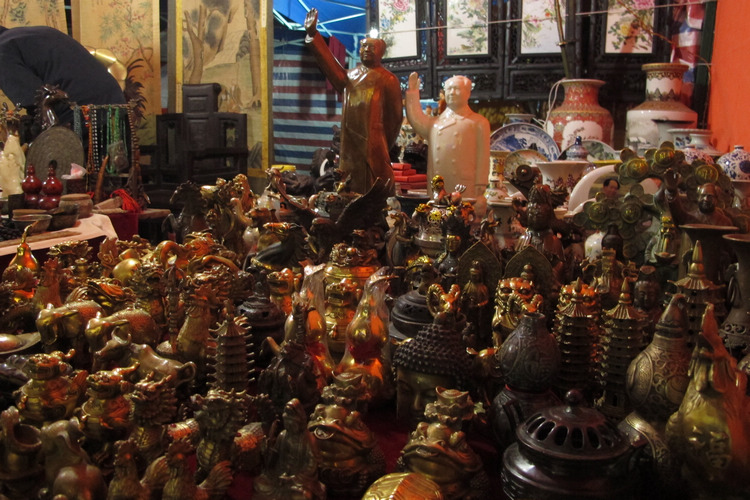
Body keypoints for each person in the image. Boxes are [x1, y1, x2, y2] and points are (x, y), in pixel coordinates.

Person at [305, 9, 402, 195]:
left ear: (381, 52)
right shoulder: (350, 76)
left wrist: (381, 142)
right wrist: (313, 35)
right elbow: (330, 66)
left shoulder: (388, 79)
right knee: (348, 184)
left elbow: (395, 118)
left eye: (372, 47)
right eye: (364, 46)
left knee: (376, 184)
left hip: (373, 144)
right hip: (350, 144)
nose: (367, 50)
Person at [0, 26, 126, 126]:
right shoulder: (32, 32)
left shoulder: (3, 49)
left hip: (82, 113)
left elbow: (34, 100)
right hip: (117, 103)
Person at [405, 72, 490, 215]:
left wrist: (481, 183)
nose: (452, 92)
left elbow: (483, 156)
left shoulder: (478, 122)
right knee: (437, 216)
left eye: (456, 89)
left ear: (468, 93)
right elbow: (416, 119)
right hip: (439, 183)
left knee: (463, 216)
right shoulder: (435, 123)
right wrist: (413, 93)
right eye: (449, 89)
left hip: (464, 184)